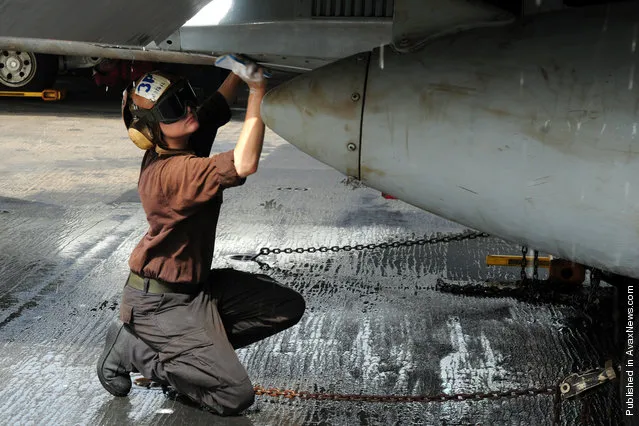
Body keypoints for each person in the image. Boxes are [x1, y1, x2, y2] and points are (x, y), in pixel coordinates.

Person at [96, 63, 306, 416]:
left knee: (285, 306)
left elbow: (218, 106)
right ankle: (137, 349)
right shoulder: (173, 174)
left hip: (195, 290)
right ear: (149, 132)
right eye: (174, 109)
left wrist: (242, 68)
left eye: (184, 98)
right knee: (233, 396)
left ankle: (196, 355)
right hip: (159, 306)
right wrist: (258, 91)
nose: (188, 109)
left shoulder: (179, 141)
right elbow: (244, 163)